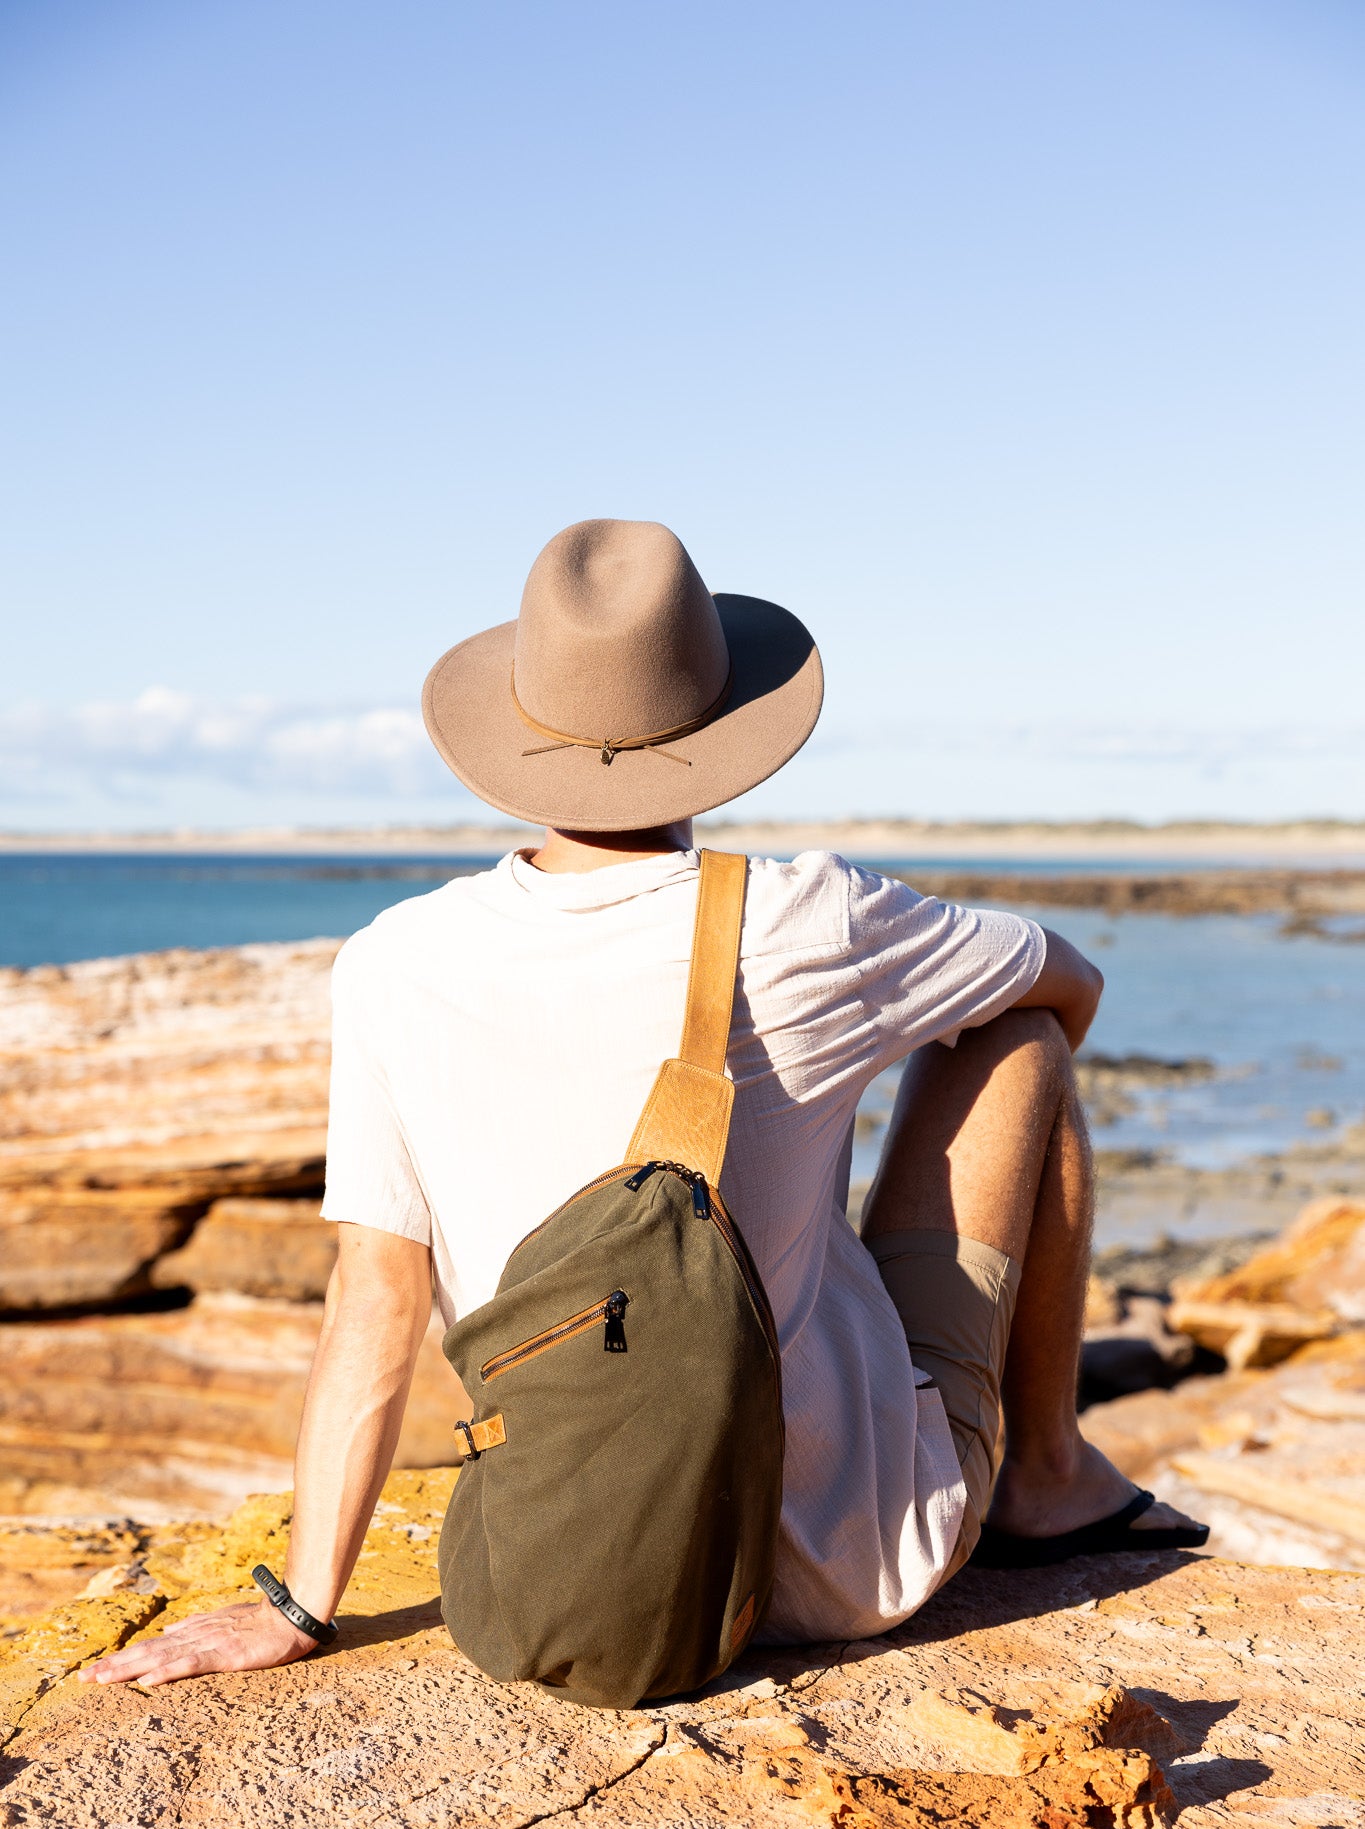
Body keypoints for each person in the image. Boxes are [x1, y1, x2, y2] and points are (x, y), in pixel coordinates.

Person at [85, 519, 1205, 1690]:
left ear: (520, 730)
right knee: (1014, 1037)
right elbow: (1067, 982)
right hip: (850, 1558)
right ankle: (1047, 1472)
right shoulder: (812, 917)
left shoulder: (392, 963)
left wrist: (300, 1605)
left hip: (601, 1567)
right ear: (721, 730)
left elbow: (373, 1299)